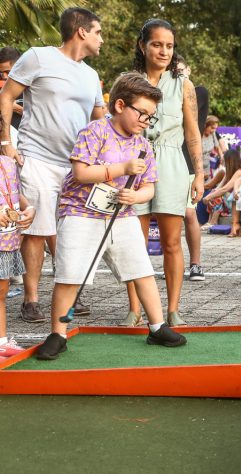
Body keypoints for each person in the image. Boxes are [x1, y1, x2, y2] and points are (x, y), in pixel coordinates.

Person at [34, 72, 186, 360]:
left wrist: (136, 196)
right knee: (69, 275)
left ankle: (157, 326)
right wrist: (121, 169)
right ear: (119, 106)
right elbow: (81, 172)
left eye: (150, 117)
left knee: (141, 270)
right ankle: (58, 334)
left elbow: (149, 187)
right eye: (142, 113)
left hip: (122, 213)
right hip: (80, 213)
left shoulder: (143, 144)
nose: (145, 121)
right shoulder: (94, 132)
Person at [0, 7, 106, 323]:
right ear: (81, 31)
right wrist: (6, 143)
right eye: (98, 32)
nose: (102, 39)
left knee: (72, 231)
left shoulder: (91, 75)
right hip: (37, 158)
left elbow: (100, 120)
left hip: (77, 167)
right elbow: (6, 97)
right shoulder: (38, 57)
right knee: (35, 230)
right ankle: (31, 300)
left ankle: (69, 293)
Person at [129, 18, 205, 328]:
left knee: (173, 242)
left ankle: (173, 309)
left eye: (169, 46)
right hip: (134, 162)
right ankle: (135, 309)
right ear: (142, 45)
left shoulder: (184, 85)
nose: (163, 51)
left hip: (173, 163)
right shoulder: (128, 81)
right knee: (135, 242)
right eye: (157, 44)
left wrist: (198, 173)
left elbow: (193, 132)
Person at [176, 55, 208, 284]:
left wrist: (199, 172)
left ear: (189, 69)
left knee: (189, 213)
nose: (179, 74)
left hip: (187, 159)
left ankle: (195, 264)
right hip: (165, 157)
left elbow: (195, 127)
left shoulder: (199, 92)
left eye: (181, 70)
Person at [0, 156, 36, 360]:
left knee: (1, 292)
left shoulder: (7, 163)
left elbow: (16, 194)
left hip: (6, 239)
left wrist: (28, 207)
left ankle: (1, 342)